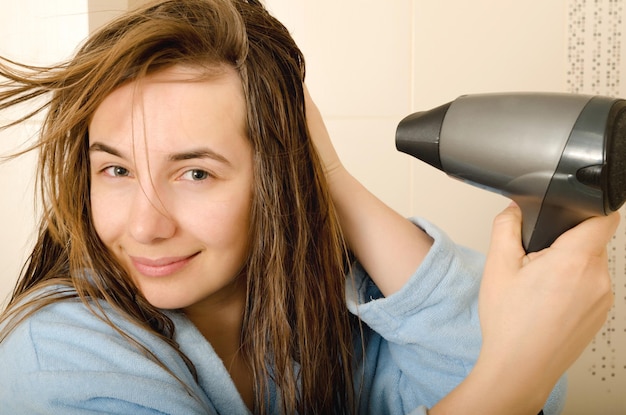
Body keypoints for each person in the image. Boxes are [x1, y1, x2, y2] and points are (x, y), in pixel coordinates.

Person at [0, 0, 618, 414]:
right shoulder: (59, 359)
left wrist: (329, 175)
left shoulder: (323, 314)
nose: (142, 226)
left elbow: (487, 359)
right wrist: (515, 376)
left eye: (194, 172)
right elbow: (515, 364)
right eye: (115, 169)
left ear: (276, 177)